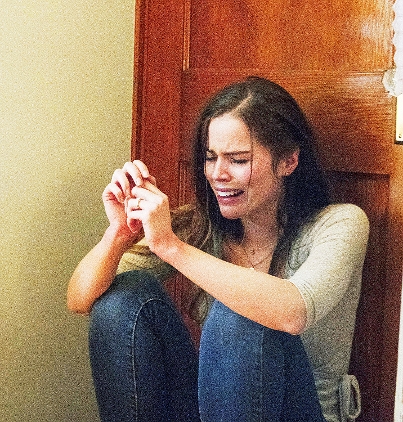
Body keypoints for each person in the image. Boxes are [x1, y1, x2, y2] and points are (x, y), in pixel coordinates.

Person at [67, 76, 369, 422]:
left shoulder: (341, 224)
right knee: (121, 299)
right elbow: (80, 299)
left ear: (289, 161)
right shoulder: (200, 225)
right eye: (211, 158)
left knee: (239, 313)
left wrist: (171, 247)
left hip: (302, 412)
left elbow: (292, 312)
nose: (217, 174)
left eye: (238, 160)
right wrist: (119, 235)